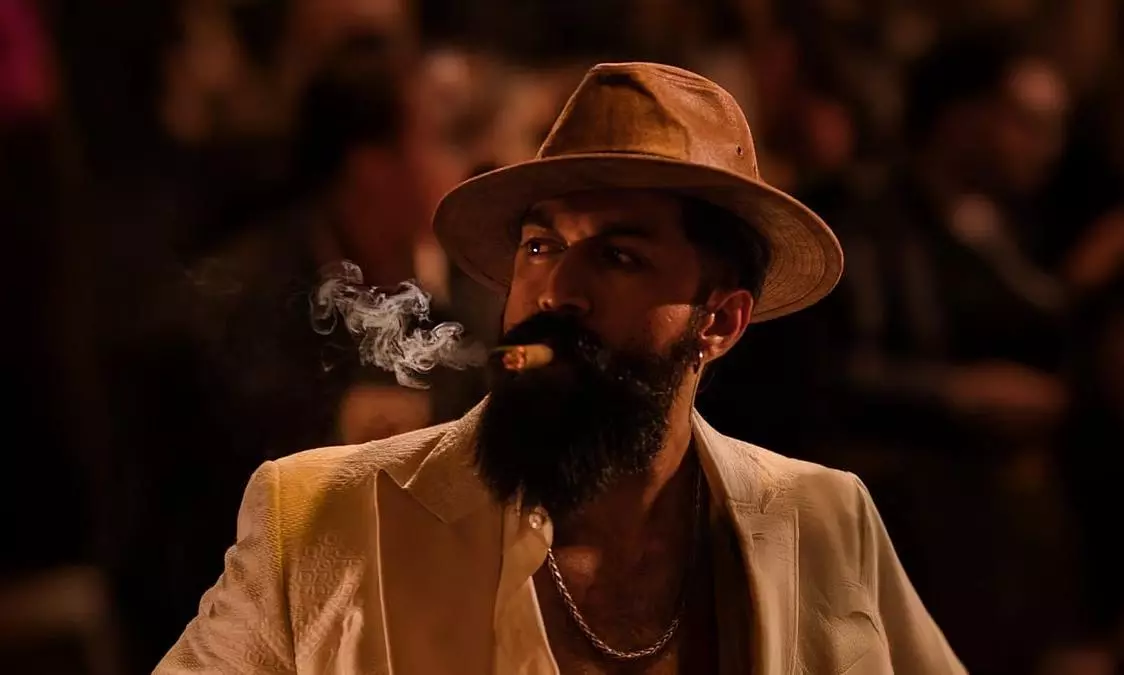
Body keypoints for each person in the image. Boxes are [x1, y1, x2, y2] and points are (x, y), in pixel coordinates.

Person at [156, 62, 964, 674]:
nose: (556, 292)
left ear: (719, 321)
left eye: (619, 256)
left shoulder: (822, 519)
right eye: (540, 245)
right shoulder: (322, 519)